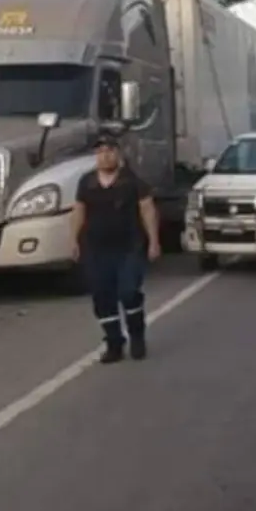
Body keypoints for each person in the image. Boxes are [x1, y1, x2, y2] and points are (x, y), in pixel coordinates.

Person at [72, 134, 161, 364]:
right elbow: (79, 211)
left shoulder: (132, 181)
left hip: (129, 248)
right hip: (96, 249)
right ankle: (114, 342)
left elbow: (147, 210)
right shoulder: (87, 182)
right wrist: (73, 240)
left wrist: (153, 241)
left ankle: (137, 335)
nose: (105, 155)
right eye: (100, 152)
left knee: (128, 292)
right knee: (102, 297)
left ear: (118, 154)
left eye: (110, 150)